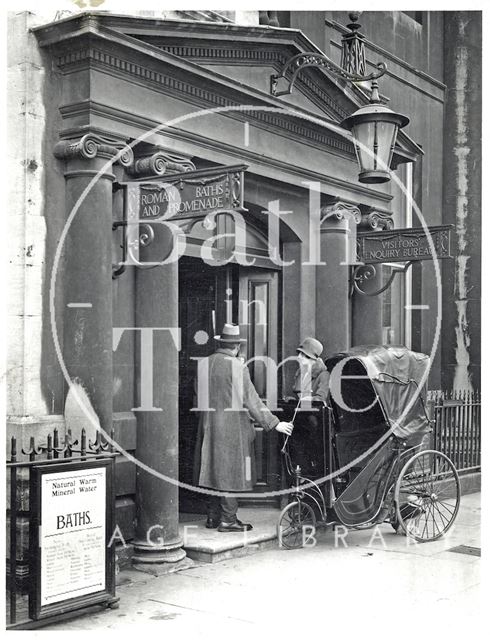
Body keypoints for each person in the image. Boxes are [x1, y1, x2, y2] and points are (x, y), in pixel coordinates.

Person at [194, 323, 293, 532]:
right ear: (237, 347)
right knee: (230, 472)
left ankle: (212, 517)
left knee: (213, 469)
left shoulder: (203, 364)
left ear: (221, 344)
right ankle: (228, 520)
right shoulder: (238, 367)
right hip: (230, 427)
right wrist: (274, 423)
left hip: (207, 425)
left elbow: (198, 393)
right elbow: (251, 399)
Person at [285, 337, 330, 477]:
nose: (299, 357)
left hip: (315, 425)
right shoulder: (300, 373)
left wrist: (308, 399)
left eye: (303, 355)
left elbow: (321, 398)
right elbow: (298, 396)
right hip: (300, 420)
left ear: (313, 359)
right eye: (299, 354)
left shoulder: (324, 375)